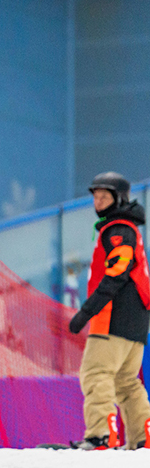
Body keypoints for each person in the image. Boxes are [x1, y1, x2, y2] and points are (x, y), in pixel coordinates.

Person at [68, 172, 150, 450]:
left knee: (96, 373)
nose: (98, 200)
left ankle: (101, 435)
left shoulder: (118, 229)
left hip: (114, 315)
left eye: (105, 195)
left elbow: (118, 271)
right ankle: (144, 437)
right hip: (137, 319)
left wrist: (87, 311)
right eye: (96, 195)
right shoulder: (125, 228)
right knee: (127, 381)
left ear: (120, 198)